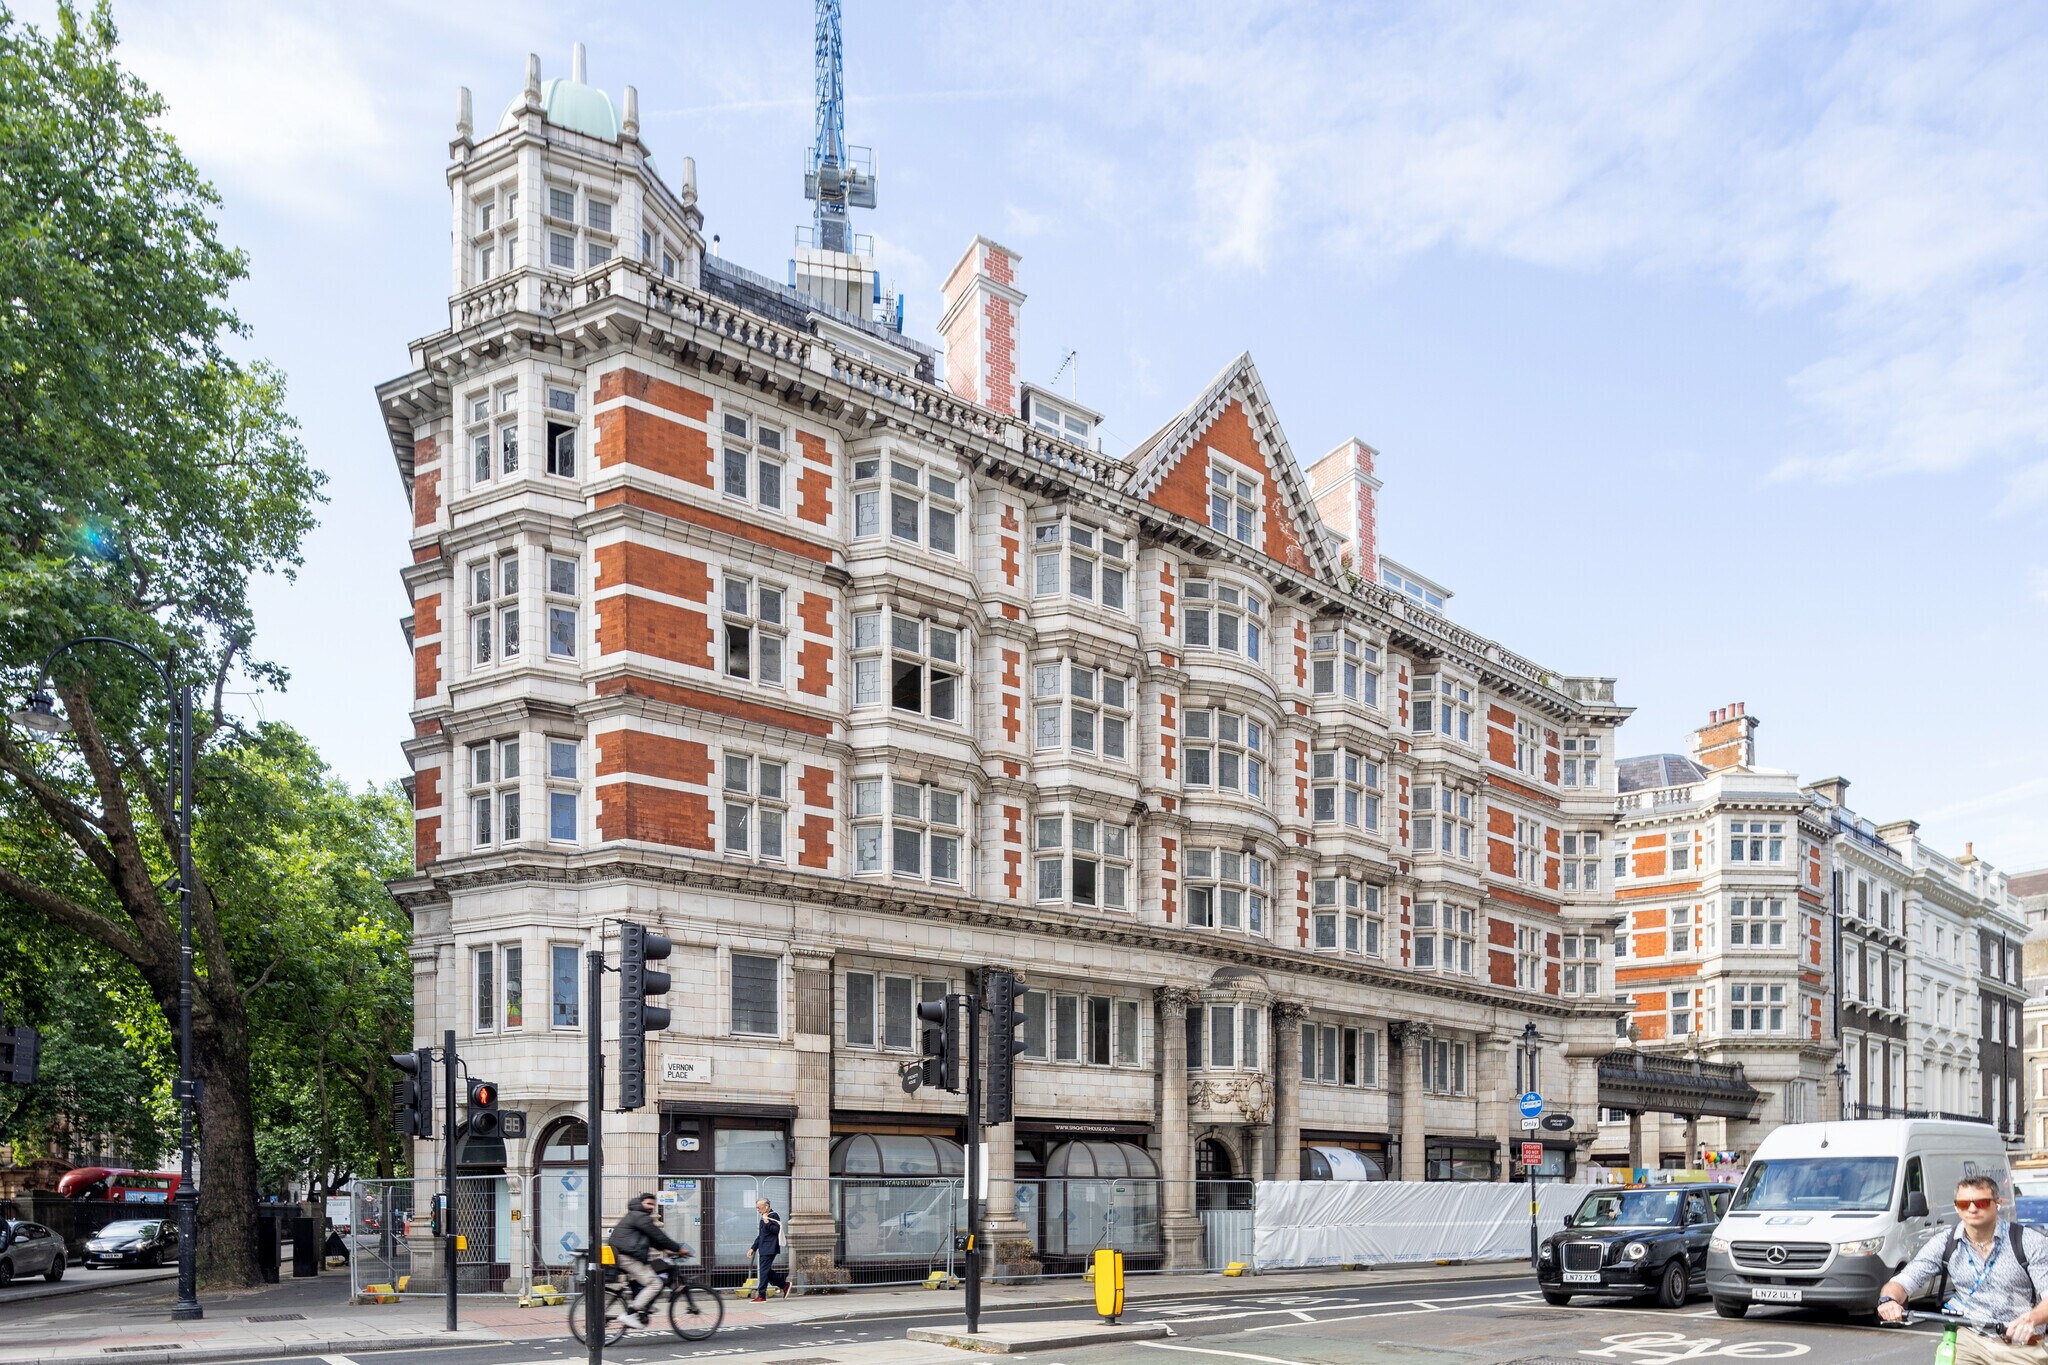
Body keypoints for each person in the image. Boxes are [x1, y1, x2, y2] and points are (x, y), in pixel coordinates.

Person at [1878, 1175, 2048, 1364]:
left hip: (2020, 1345)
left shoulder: (2028, 1241)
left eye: (1981, 1202)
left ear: (1997, 1204)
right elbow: (1904, 1280)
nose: (1972, 1209)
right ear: (1956, 1207)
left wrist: (2032, 1318)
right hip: (1969, 1340)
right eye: (1964, 1203)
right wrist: (1889, 1300)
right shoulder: (1945, 1243)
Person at [608, 1191, 684, 1330]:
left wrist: (663, 1249)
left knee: (652, 1271)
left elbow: (650, 1238)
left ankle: (644, 1305)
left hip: (625, 1255)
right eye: (648, 1204)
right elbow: (659, 1235)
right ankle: (631, 1314)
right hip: (627, 1257)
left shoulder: (635, 1215)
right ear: (641, 1203)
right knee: (655, 1283)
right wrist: (678, 1248)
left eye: (653, 1205)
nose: (651, 1207)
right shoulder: (640, 1216)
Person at [749, 1197, 787, 1302]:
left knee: (763, 1271)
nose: (758, 1210)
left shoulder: (773, 1216)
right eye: (757, 1208)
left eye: (759, 1208)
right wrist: (753, 1248)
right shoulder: (764, 1217)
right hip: (763, 1248)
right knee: (766, 1271)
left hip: (770, 1248)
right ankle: (784, 1285)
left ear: (766, 1207)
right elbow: (761, 1235)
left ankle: (761, 1295)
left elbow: (776, 1230)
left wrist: (767, 1221)